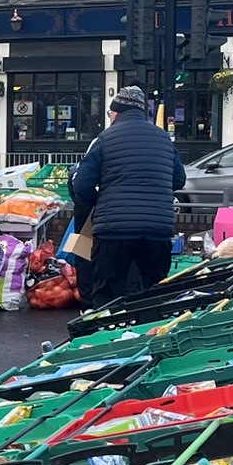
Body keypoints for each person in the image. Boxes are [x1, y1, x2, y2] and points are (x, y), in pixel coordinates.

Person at [69, 85, 186, 310]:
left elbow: (82, 185)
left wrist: (100, 204)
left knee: (107, 295)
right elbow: (178, 180)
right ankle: (149, 337)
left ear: (116, 112)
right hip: (157, 230)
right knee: (153, 293)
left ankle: (107, 338)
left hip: (114, 230)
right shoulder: (164, 139)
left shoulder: (104, 139)